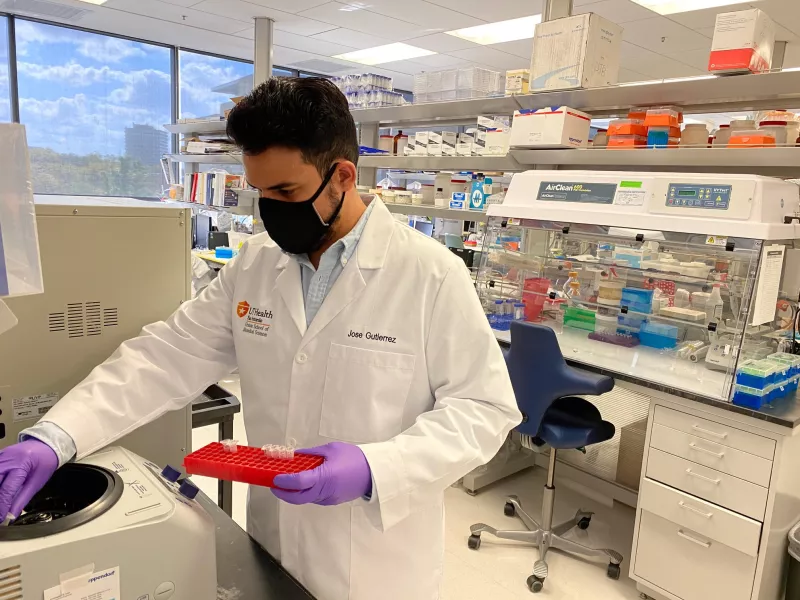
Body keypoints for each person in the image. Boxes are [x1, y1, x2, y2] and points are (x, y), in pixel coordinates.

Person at [0, 78, 520, 600]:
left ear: (342, 176)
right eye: (261, 191)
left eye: (286, 192)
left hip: (376, 563)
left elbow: (483, 408)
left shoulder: (430, 274)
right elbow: (164, 356)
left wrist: (373, 468)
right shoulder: (254, 265)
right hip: (274, 542)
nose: (268, 209)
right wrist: (57, 435)